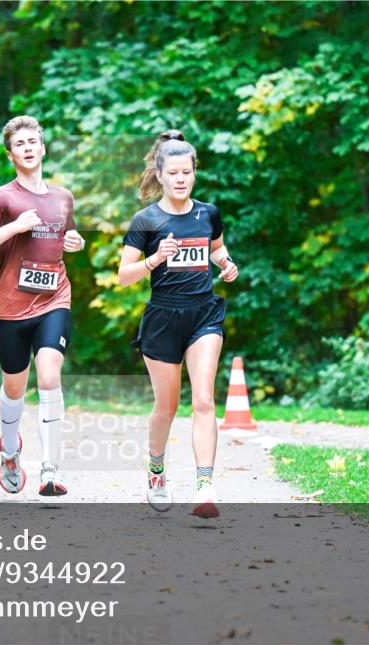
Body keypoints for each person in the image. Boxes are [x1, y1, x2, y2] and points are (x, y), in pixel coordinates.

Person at [0, 115, 85, 497]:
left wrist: (73, 240)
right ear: (11, 154)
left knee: (49, 375)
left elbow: (65, 233)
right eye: (20, 144)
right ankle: (10, 450)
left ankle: (51, 470)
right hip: (11, 308)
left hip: (54, 299)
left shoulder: (63, 197)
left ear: (43, 148)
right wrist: (13, 227)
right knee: (15, 387)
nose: (28, 148)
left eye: (34, 141)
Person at [117, 130, 239, 518]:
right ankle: (156, 471)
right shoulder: (147, 219)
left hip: (203, 313)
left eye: (187, 172)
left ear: (194, 173)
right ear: (161, 174)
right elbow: (123, 275)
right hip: (163, 318)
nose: (181, 179)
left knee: (204, 398)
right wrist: (155, 259)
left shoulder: (209, 213)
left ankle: (205, 485)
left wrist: (226, 264)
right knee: (166, 407)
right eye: (173, 173)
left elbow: (216, 247)